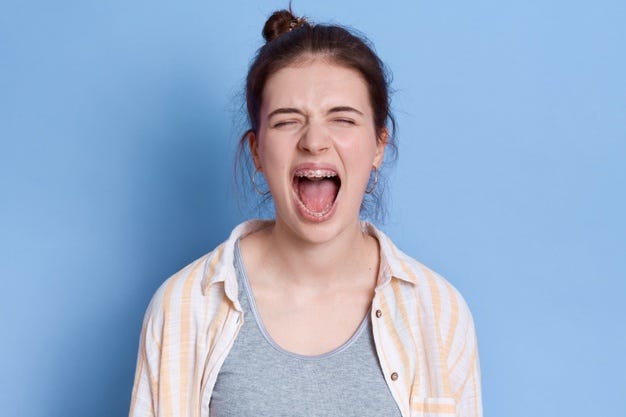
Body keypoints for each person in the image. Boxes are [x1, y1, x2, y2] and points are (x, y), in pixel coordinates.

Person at [129, 8, 482, 417]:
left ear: (379, 146)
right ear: (257, 151)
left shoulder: (439, 312)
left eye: (343, 119)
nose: (314, 141)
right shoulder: (183, 306)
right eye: (287, 121)